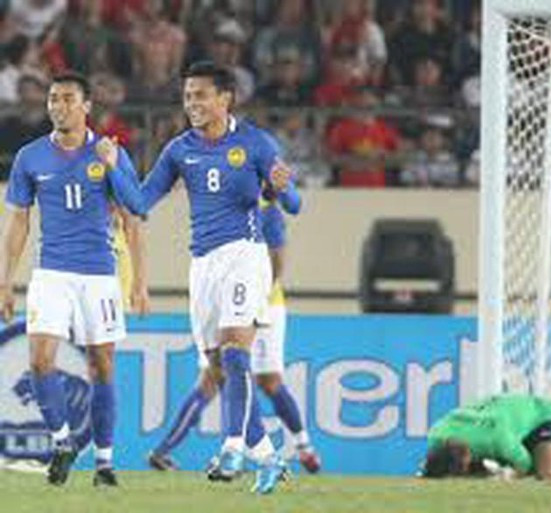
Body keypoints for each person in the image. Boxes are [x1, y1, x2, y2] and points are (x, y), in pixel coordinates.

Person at [104, 61, 301, 495]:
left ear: (225, 98)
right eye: (188, 95)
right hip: (203, 264)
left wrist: (283, 188)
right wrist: (115, 166)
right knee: (219, 368)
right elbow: (140, 202)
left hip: (245, 255)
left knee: (235, 352)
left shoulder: (255, 142)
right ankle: (269, 458)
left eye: (200, 95)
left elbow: (294, 205)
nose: (192, 103)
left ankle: (231, 449)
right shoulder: (179, 150)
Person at [0, 72, 143, 487]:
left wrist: (139, 281)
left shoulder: (109, 151)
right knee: (39, 360)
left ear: (86, 107)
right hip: (51, 272)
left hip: (99, 274)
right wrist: (5, 280)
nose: (58, 107)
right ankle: (63, 442)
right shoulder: (30, 157)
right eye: (53, 99)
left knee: (102, 365)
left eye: (67, 99)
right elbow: (19, 222)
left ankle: (104, 464)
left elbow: (134, 211)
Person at [148, 195, 320, 475]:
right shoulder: (221, 203)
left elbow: (278, 260)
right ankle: (181, 451)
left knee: (267, 381)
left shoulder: (266, 210)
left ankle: (301, 446)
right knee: (218, 376)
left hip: (264, 304)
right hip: (227, 300)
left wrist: (257, 293)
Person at [422, 394, 551, 483]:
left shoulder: (496, 439)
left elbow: (525, 465)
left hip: (540, 415)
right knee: (479, 480)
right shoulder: (435, 436)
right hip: (508, 419)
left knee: (548, 475)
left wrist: (508, 476)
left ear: (465, 460)